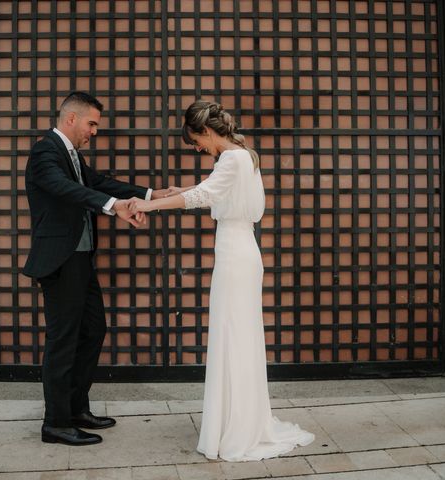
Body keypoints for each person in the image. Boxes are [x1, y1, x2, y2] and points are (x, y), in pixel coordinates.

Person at [127, 100, 315, 461]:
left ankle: (237, 427)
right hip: (241, 249)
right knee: (237, 336)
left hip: (235, 254)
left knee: (233, 335)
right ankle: (238, 420)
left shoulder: (231, 158)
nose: (197, 148)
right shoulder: (244, 155)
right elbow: (212, 189)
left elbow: (204, 195)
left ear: (207, 131)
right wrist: (169, 193)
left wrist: (149, 206)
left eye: (196, 141)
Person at [22, 91, 166, 446]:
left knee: (93, 330)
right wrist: (114, 206)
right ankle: (55, 423)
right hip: (60, 260)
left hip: (80, 259)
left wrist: (151, 195)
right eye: (92, 124)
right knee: (62, 340)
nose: (94, 131)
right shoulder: (45, 152)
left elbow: (98, 183)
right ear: (71, 119)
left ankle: (75, 408)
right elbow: (63, 188)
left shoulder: (71, 155)